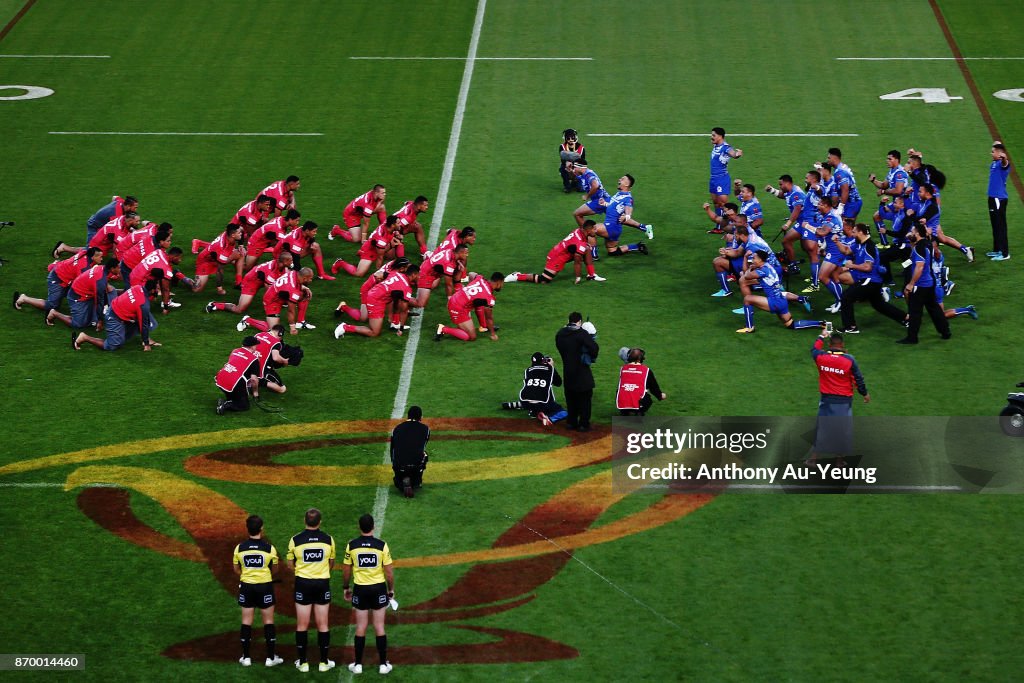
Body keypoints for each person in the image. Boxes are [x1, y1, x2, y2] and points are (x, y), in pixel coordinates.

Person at [342, 513, 395, 676]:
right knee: (379, 626)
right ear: (373, 527)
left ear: (359, 527)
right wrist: (390, 590)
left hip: (361, 590)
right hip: (378, 589)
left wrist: (346, 587)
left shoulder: (352, 545)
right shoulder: (382, 546)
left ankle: (358, 665)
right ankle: (383, 665)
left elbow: (346, 569)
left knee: (361, 627)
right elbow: (389, 573)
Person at [287, 508, 336, 673]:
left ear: (304, 520)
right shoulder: (329, 540)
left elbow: (289, 564)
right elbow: (331, 563)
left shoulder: (295, 540)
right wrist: (321, 571)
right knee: (323, 624)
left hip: (303, 584)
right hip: (322, 583)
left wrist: (303, 571)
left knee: (302, 624)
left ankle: (303, 662)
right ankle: (323, 662)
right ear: (320, 522)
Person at [232, 514, 285, 667]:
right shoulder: (269, 548)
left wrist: (247, 575)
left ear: (247, 529)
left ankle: (246, 657)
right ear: (261, 528)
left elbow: (236, 569)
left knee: (246, 621)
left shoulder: (239, 548)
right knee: (268, 621)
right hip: (264, 587)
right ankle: (270, 658)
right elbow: (275, 569)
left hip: (247, 587)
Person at [809, 330, 869, 463]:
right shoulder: (849, 359)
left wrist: (821, 336)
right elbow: (858, 379)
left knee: (822, 429)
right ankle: (839, 462)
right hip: (843, 401)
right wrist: (864, 393)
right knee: (842, 431)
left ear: (829, 344)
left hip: (826, 400)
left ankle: (812, 460)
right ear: (842, 345)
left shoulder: (820, 357)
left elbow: (814, 349)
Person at [837, 223, 907, 334]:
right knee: (879, 305)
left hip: (870, 280)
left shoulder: (869, 247)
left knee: (846, 297)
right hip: (871, 280)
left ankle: (850, 327)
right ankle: (905, 318)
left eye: (854, 232)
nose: (853, 234)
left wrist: (851, 266)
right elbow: (846, 251)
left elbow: (868, 267)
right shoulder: (859, 243)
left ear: (861, 232)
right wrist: (836, 242)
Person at [736, 250, 821, 334]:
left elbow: (746, 276)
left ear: (760, 259)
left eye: (754, 258)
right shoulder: (767, 266)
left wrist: (749, 266)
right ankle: (821, 323)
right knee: (791, 325)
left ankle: (749, 327)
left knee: (747, 299)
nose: (752, 260)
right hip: (781, 300)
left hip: (775, 301)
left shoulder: (762, 271)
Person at [334, 264, 421, 339]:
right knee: (374, 332)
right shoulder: (406, 288)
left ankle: (394, 322)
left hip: (375, 293)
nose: (419, 277)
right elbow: (404, 310)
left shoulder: (397, 274)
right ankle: (345, 327)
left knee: (398, 300)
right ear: (413, 275)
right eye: (418, 275)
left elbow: (379, 274)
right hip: (376, 301)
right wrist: (401, 329)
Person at [897, 224, 951, 344]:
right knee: (934, 309)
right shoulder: (927, 243)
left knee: (915, 311)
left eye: (912, 231)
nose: (910, 233)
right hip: (930, 282)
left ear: (917, 233)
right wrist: (911, 241)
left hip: (921, 284)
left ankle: (912, 337)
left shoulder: (919, 247)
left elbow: (919, 267)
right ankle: (945, 331)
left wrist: (911, 283)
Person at [503, 220, 605, 285]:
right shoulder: (580, 242)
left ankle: (592, 275)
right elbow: (577, 261)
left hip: (565, 252)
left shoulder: (580, 231)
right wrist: (578, 277)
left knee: (587, 249)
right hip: (557, 256)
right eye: (594, 229)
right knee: (544, 280)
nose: (596, 231)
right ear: (588, 230)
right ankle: (517, 276)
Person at [13, 247, 102, 318]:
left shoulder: (85, 251)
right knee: (52, 305)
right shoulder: (83, 267)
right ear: (93, 257)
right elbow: (80, 284)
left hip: (61, 271)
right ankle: (23, 298)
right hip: (57, 280)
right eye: (100, 257)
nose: (102, 258)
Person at [73, 283, 160, 352]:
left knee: (146, 320)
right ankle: (84, 337)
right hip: (114, 316)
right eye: (157, 289)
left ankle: (143, 338)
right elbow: (143, 324)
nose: (158, 290)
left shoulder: (138, 287)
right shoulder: (143, 304)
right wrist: (146, 345)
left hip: (116, 309)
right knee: (112, 345)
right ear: (152, 290)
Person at [238, 266, 315, 335]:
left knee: (305, 294)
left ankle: (300, 322)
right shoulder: (293, 289)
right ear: (304, 278)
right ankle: (247, 320)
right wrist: (292, 328)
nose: (311, 280)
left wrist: (305, 288)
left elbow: (291, 284)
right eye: (310, 278)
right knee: (274, 331)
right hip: (272, 301)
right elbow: (291, 310)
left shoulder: (294, 273)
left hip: (280, 294)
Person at [555, 312, 598, 431]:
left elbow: (559, 345)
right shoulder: (582, 334)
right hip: (582, 373)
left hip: (568, 373)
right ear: (579, 321)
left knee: (571, 399)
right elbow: (594, 348)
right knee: (585, 400)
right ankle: (584, 424)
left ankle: (571, 422)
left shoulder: (560, 333)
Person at [434, 272, 504, 342]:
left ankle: (471, 326)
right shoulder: (489, 298)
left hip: (456, 298)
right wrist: (493, 334)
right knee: (471, 337)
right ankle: (443, 329)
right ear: (499, 282)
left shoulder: (481, 278)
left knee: (479, 306)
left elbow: (471, 274)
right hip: (457, 308)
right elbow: (489, 318)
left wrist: (468, 289)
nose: (502, 286)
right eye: (502, 284)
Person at [501, 352, 568, 426]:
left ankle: (533, 412)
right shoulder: (550, 369)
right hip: (543, 404)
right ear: (543, 361)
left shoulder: (527, 371)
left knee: (533, 393)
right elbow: (558, 383)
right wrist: (551, 366)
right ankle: (549, 419)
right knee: (564, 413)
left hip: (525, 402)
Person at [593, 174, 653, 256]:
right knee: (612, 251)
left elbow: (629, 208)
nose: (619, 179)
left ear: (627, 184)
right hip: (615, 228)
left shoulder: (628, 198)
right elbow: (614, 207)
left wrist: (627, 216)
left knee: (590, 230)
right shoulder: (618, 194)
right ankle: (638, 246)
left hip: (611, 227)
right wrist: (605, 203)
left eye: (622, 179)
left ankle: (593, 256)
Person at [390, 406, 430, 497]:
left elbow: (392, 450)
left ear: (408, 416)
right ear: (420, 417)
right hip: (415, 467)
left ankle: (400, 479)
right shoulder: (425, 429)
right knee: (425, 454)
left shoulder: (396, 428)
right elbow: (422, 447)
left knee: (398, 455)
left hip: (399, 466)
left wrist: (395, 465)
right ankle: (416, 481)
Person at [615, 347, 667, 416]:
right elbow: (653, 388)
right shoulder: (646, 370)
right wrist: (660, 396)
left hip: (621, 402)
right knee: (648, 399)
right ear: (640, 359)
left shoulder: (623, 369)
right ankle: (639, 412)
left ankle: (625, 412)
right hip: (638, 404)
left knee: (621, 390)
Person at [709, 127, 743, 217]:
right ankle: (719, 227)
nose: (711, 137)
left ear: (720, 136)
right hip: (713, 179)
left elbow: (733, 154)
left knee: (723, 204)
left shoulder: (725, 148)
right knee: (716, 203)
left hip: (721, 179)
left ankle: (734, 224)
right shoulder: (716, 146)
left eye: (713, 135)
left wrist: (737, 154)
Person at [571, 160, 611, 228]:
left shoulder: (589, 175)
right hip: (605, 200)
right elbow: (574, 178)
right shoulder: (584, 174)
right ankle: (636, 224)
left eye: (574, 167)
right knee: (620, 218)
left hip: (599, 201)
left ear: (580, 168)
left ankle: (587, 234)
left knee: (577, 214)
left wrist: (587, 196)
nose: (573, 169)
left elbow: (595, 186)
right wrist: (570, 171)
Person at [988, 142, 1011, 260]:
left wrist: (1003, 156)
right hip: (992, 198)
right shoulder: (993, 164)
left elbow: (1005, 162)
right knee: (995, 225)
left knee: (1001, 225)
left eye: (993, 151)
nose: (991, 153)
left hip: (999, 199)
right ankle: (997, 249)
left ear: (999, 153)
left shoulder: (1003, 164)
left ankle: (1005, 253)